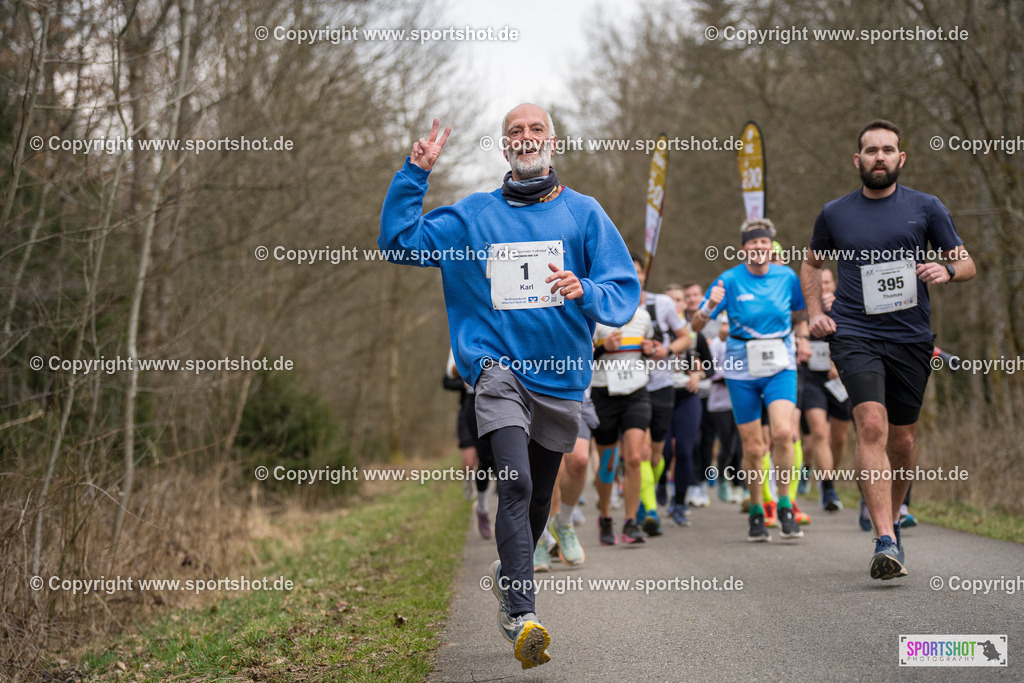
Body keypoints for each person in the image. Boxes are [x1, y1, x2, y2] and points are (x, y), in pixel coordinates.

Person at [380, 105, 640, 667]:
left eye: (536, 129)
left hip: (561, 377)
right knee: (515, 481)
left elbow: (622, 290)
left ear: (553, 141)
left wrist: (585, 288)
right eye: (515, 131)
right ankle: (521, 612)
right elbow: (399, 241)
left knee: (539, 496)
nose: (526, 138)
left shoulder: (584, 213)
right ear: (504, 147)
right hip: (496, 370)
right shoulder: (473, 216)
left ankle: (509, 570)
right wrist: (413, 174)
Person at [802, 119, 975, 580]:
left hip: (911, 337)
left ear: (901, 159)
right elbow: (811, 260)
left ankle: (892, 518)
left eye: (888, 150)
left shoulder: (927, 207)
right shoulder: (835, 213)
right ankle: (884, 537)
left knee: (903, 439)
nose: (879, 157)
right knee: (872, 425)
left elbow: (966, 262)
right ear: (857, 160)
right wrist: (816, 310)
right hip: (855, 333)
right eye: (871, 150)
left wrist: (948, 271)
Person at [692, 218, 811, 542]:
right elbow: (696, 323)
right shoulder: (728, 280)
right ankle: (758, 509)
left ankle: (785, 503)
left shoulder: (786, 277)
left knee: (784, 433)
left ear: (770, 247)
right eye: (753, 243)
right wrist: (712, 307)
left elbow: (800, 314)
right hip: (740, 368)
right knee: (754, 447)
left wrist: (803, 337)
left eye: (764, 244)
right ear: (743, 247)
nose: (759, 248)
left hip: (779, 365)